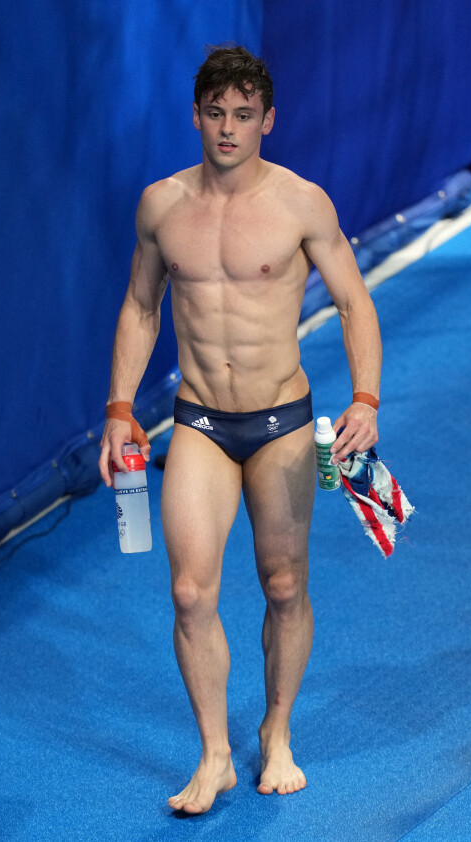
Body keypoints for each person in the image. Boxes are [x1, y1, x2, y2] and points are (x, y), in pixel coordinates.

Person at [98, 44, 382, 814]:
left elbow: (355, 303)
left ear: (268, 120)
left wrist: (365, 400)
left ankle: (278, 733)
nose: (228, 127)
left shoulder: (301, 204)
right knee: (190, 592)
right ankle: (216, 755)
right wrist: (120, 409)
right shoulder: (161, 205)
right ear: (196, 117)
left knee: (284, 584)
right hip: (198, 421)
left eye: (243, 114)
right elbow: (140, 306)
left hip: (283, 422)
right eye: (215, 113)